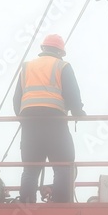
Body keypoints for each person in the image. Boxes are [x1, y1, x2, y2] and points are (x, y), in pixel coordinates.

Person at [13, 34, 85, 203]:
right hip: (54, 122)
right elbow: (72, 93)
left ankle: (26, 204)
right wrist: (78, 112)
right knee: (63, 165)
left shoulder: (27, 67)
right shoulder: (62, 66)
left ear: (43, 49)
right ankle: (60, 204)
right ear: (61, 52)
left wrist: (22, 118)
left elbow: (17, 99)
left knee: (30, 169)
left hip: (30, 123)